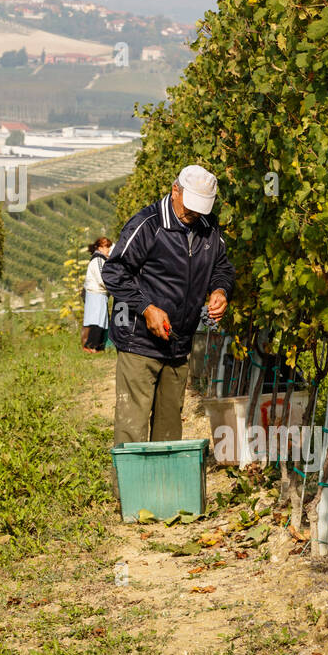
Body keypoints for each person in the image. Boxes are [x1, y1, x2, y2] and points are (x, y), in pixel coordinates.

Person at [102, 166, 235, 446]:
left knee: (169, 426)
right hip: (139, 342)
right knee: (132, 425)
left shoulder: (209, 228)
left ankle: (161, 487)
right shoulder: (147, 225)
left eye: (201, 208)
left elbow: (222, 267)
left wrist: (220, 290)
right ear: (175, 190)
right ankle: (129, 490)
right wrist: (147, 308)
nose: (194, 214)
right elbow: (114, 272)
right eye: (190, 205)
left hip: (178, 343)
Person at [81, 236, 114, 352]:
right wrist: (113, 288)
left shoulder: (99, 259)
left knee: (101, 321)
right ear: (100, 248)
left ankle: (98, 347)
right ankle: (90, 346)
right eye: (107, 247)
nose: (108, 249)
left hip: (98, 294)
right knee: (97, 321)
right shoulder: (99, 260)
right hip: (96, 293)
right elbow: (102, 278)